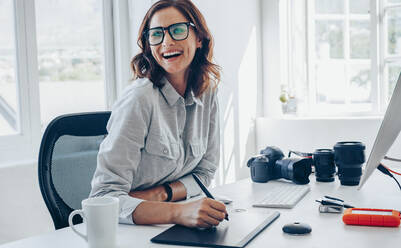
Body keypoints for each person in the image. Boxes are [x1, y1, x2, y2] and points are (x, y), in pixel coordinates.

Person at [90, 0, 227, 228]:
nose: (167, 42)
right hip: (128, 233)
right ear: (148, 44)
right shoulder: (139, 99)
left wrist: (160, 195)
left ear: (199, 38)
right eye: (156, 34)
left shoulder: (208, 92)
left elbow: (204, 173)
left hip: (164, 226)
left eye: (178, 30)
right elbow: (103, 198)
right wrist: (178, 212)